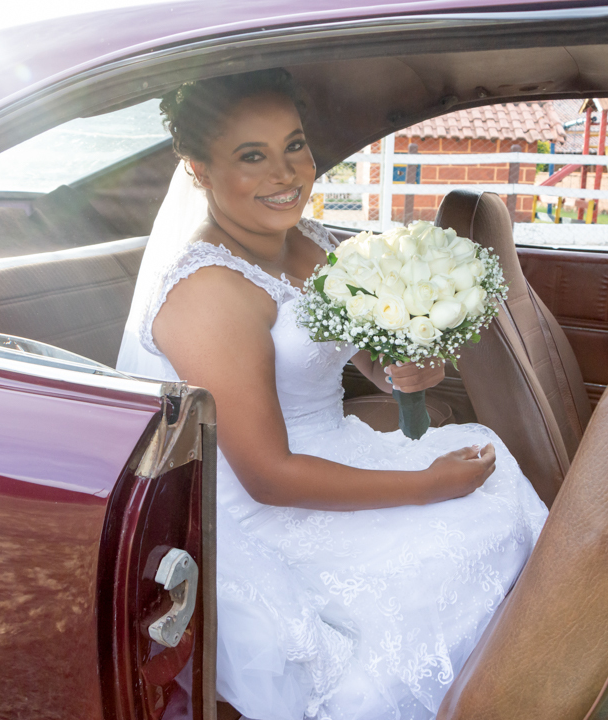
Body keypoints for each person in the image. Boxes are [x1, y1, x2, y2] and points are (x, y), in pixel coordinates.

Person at [116, 69, 548, 720]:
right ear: (198, 170)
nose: (286, 173)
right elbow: (267, 476)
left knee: (493, 490)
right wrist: (425, 485)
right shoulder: (207, 294)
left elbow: (362, 353)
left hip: (338, 448)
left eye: (294, 145)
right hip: (262, 507)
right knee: (424, 582)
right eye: (252, 156)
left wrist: (403, 367)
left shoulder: (313, 244)